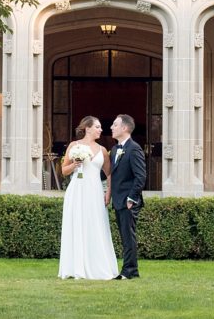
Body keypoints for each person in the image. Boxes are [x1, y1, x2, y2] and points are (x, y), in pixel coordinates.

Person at [58, 116, 119, 280]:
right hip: (76, 191)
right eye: (98, 127)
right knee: (77, 224)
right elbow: (63, 171)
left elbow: (109, 174)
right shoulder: (74, 146)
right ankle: (75, 267)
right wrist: (74, 165)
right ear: (87, 128)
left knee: (96, 224)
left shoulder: (102, 150)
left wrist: (108, 192)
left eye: (100, 127)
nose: (101, 130)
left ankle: (97, 265)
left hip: (94, 191)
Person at [109, 114, 147, 279]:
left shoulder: (134, 148)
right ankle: (129, 270)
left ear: (124, 128)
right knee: (125, 237)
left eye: (115, 125)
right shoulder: (114, 150)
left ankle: (130, 271)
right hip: (118, 201)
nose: (111, 127)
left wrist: (131, 198)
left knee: (128, 236)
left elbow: (141, 176)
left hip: (128, 201)